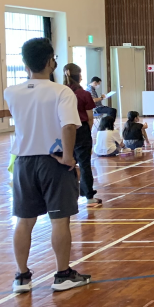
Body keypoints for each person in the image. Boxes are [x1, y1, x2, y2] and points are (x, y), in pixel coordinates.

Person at [4, 38, 90, 293]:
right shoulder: (61, 92)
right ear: (51, 61)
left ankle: (21, 277)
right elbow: (68, 126)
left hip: (23, 162)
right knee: (59, 220)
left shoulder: (11, 92)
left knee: (24, 220)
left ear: (24, 62)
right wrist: (68, 158)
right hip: (53, 160)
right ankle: (63, 274)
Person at [64, 64, 98, 205]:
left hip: (64, 129)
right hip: (81, 129)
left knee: (65, 163)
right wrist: (87, 131)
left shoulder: (60, 93)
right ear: (78, 76)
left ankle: (66, 196)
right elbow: (90, 117)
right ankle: (89, 196)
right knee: (84, 164)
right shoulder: (84, 94)